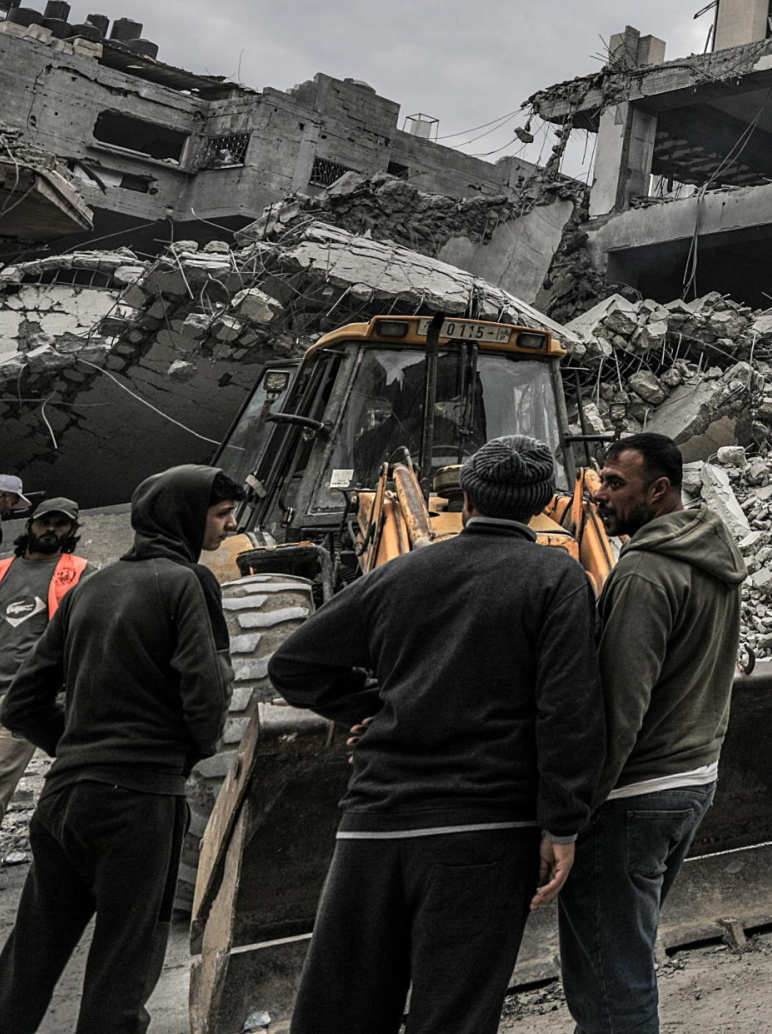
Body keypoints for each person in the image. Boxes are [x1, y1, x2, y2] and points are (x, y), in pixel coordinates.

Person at [271, 436, 602, 1034]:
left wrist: (367, 707)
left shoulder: (401, 572)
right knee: (455, 1015)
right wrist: (563, 822)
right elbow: (568, 710)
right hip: (485, 831)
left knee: (341, 1009)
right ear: (546, 504)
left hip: (373, 825)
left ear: (464, 496)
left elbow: (292, 663)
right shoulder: (557, 577)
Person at [0, 466, 238, 1033]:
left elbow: (22, 702)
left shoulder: (91, 586)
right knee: (125, 964)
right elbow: (206, 693)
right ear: (186, 517)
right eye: (219, 514)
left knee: (30, 960)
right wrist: (185, 753)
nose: (230, 523)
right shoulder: (188, 581)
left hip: (64, 798)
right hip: (141, 802)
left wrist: (77, 750)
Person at [559, 432, 747, 1034]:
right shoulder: (712, 556)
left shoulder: (642, 573)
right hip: (690, 781)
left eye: (615, 483)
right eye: (600, 480)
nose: (600, 494)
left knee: (611, 976)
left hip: (632, 796)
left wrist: (573, 810)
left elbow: (620, 706)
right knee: (623, 953)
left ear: (659, 489)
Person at [0, 497, 86, 911]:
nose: (52, 530)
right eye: (45, 522)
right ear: (28, 526)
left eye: (61, 525)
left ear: (71, 532)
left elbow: (84, 635)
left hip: (28, 698)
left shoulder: (81, 576)